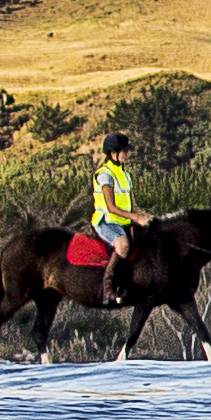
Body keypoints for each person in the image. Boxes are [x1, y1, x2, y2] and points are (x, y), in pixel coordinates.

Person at [72, 124, 151, 303]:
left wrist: (148, 217)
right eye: (125, 151)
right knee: (123, 245)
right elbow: (111, 207)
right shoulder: (104, 175)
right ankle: (107, 289)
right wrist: (136, 218)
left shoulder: (125, 175)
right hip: (105, 221)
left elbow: (134, 206)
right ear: (113, 153)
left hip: (123, 221)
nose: (128, 154)